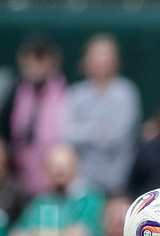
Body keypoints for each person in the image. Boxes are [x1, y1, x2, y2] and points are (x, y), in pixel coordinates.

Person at [59, 33, 141, 195]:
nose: (101, 60)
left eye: (106, 55)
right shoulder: (75, 94)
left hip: (118, 182)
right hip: (81, 185)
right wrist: (99, 131)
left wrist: (83, 130)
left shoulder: (126, 93)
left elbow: (117, 137)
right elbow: (66, 134)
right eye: (96, 55)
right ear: (86, 59)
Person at [0, 34, 68, 197]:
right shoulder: (15, 92)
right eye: (31, 57)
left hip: (57, 182)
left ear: (54, 60)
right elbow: (6, 133)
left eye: (42, 57)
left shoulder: (68, 92)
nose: (37, 63)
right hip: (21, 181)